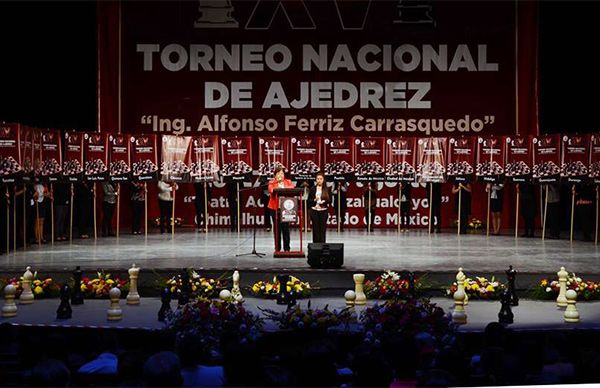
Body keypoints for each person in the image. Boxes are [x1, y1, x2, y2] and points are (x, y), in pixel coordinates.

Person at [268, 166, 295, 252]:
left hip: (285, 209)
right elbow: (271, 190)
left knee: (285, 229)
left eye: (282, 173)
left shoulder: (288, 182)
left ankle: (287, 248)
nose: (281, 175)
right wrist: (278, 183)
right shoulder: (272, 182)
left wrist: (283, 187)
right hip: (274, 208)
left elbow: (292, 189)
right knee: (277, 229)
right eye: (278, 173)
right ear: (275, 175)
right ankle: (277, 248)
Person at [308, 172, 331, 243]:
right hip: (314, 211)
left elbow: (330, 201)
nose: (319, 180)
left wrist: (324, 202)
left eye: (321, 179)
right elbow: (309, 201)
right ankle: (315, 246)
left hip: (323, 211)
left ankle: (322, 246)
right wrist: (314, 200)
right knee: (315, 230)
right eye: (317, 179)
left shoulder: (327, 189)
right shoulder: (312, 189)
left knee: (322, 230)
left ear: (323, 180)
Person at [33, 179, 49, 243]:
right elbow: (34, 194)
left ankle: (41, 237)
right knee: (37, 221)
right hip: (37, 203)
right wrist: (36, 195)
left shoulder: (44, 185)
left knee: (41, 221)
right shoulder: (35, 185)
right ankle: (37, 237)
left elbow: (47, 194)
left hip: (43, 202)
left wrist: (47, 193)